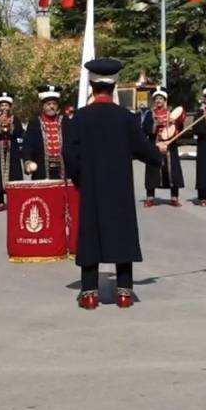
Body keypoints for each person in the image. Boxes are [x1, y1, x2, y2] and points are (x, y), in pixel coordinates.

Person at [63, 58, 163, 310]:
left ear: (92, 87)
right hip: (119, 188)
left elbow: (69, 153)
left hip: (93, 186)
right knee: (122, 234)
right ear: (114, 85)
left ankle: (88, 294)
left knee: (90, 235)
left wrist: (78, 178)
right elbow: (142, 149)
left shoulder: (80, 118)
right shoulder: (126, 118)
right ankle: (124, 294)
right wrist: (157, 153)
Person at [141, 89, 185, 207]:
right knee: (152, 170)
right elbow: (145, 129)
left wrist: (174, 124)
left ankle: (174, 198)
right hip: (155, 145)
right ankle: (150, 198)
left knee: (172, 171)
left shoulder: (171, 113)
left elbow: (180, 127)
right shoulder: (150, 114)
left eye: (161, 99)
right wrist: (155, 124)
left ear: (165, 100)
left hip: (170, 146)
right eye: (156, 99)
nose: (158, 101)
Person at [0, 93, 23, 212]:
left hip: (12, 150)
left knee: (14, 175)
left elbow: (19, 132)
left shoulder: (15, 119)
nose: (4, 107)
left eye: (6, 105)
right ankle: (0, 202)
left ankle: (13, 201)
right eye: (2, 105)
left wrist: (9, 126)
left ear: (10, 106)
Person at [23, 86, 69, 180]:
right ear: (43, 106)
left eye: (54, 104)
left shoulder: (65, 122)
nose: (52, 106)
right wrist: (28, 162)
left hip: (64, 171)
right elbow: (28, 145)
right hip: (42, 170)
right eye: (48, 104)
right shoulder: (35, 123)